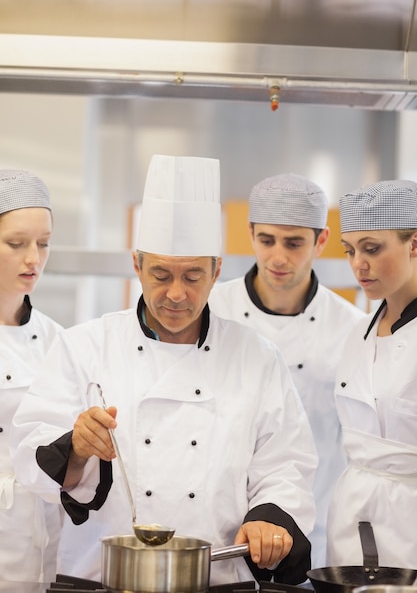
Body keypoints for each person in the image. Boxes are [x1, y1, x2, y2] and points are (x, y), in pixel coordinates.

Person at [10, 155, 317, 586]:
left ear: (216, 271)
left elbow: (286, 464)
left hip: (218, 578)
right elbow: (29, 454)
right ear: (137, 266)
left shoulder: (256, 357)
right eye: (160, 274)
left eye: (193, 276)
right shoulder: (84, 346)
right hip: (101, 577)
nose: (176, 294)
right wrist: (76, 447)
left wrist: (269, 518)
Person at [209, 173, 364, 569]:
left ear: (322, 241)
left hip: (317, 525)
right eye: (267, 240)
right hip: (222, 527)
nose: (278, 257)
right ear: (250, 233)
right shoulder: (212, 312)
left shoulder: (352, 329)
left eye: (294, 243)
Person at [326, 179, 417, 568]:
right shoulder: (354, 334)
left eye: (372, 248)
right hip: (352, 521)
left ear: (414, 244)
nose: (357, 264)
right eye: (350, 250)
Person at [0, 170, 63, 582]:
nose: (33, 259)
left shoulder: (57, 340)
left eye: (43, 244)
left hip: (44, 544)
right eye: (16, 244)